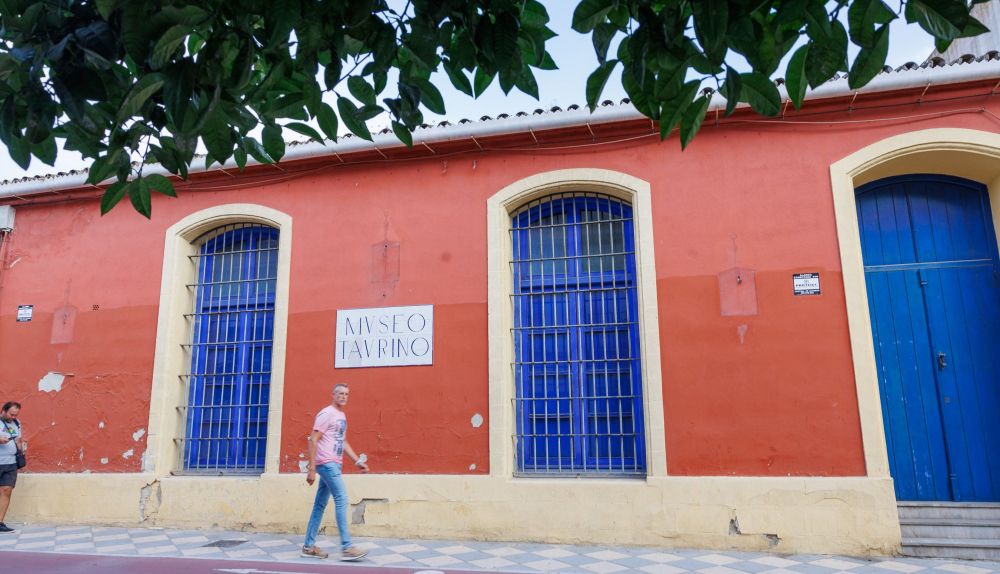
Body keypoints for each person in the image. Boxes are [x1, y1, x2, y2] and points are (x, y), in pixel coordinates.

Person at [301, 383, 369, 561]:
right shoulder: (326, 414)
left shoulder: (341, 416)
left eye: (346, 394)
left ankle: (308, 546)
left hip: (334, 464)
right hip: (326, 463)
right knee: (342, 499)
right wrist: (311, 468)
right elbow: (313, 439)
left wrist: (357, 461)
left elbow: (343, 441)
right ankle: (347, 547)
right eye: (340, 393)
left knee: (319, 505)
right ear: (333, 395)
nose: (343, 396)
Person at [0, 401, 25, 534]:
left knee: (7, 490)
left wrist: (21, 451)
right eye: (11, 414)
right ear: (3, 411)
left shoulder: (16, 423)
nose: (13, 417)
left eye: (15, 415)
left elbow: (18, 440)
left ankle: (0, 523)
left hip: (10, 463)